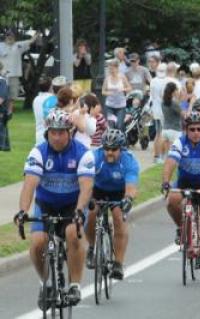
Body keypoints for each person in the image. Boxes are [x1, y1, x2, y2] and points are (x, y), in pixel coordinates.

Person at [14, 109, 95, 310]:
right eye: (53, 132)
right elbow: (29, 185)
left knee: (71, 233)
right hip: (46, 205)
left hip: (72, 205)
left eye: (61, 132)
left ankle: (75, 285)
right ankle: (45, 282)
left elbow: (86, 187)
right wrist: (23, 211)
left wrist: (79, 210)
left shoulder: (83, 153)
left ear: (69, 132)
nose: (57, 137)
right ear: (47, 133)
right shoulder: (38, 152)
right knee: (37, 243)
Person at [162, 112, 200, 269]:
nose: (196, 133)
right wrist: (166, 182)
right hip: (184, 182)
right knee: (172, 201)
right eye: (192, 129)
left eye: (199, 129)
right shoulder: (180, 142)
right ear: (186, 130)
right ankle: (181, 227)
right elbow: (170, 162)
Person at [85, 128, 139, 280]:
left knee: (118, 217)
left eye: (114, 149)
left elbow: (131, 186)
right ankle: (92, 246)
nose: (109, 152)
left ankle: (118, 264)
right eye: (106, 148)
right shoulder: (94, 157)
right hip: (97, 190)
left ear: (121, 149)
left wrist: (128, 199)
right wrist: (86, 199)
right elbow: (86, 182)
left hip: (119, 192)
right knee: (91, 213)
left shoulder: (129, 160)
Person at [0, 30, 38, 101]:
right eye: (8, 35)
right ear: (5, 37)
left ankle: (10, 111)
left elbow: (31, 41)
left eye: (11, 36)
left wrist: (37, 33)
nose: (10, 37)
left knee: (13, 95)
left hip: (15, 74)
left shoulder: (19, 45)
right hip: (2, 75)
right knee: (2, 94)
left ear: (14, 37)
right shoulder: (0, 46)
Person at [102, 59, 132, 132]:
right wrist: (109, 93)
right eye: (110, 69)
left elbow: (130, 88)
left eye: (112, 68)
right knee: (111, 125)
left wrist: (123, 89)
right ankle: (113, 142)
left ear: (117, 68)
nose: (111, 70)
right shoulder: (107, 79)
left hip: (121, 106)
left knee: (119, 125)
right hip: (110, 106)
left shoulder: (122, 77)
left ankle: (122, 140)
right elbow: (103, 91)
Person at [159, 82, 183, 161]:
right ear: (173, 91)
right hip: (175, 130)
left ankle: (163, 162)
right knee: (175, 153)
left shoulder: (163, 102)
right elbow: (183, 114)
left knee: (167, 154)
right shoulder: (174, 103)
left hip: (165, 129)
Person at [0, 69, 10, 151]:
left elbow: (1, 98)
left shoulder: (2, 81)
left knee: (2, 128)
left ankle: (3, 146)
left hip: (1, 111)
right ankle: (5, 147)